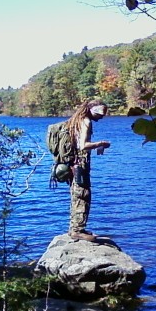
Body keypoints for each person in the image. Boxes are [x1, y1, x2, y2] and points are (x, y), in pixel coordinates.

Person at [66, 99, 110, 241]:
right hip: (80, 165)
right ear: (92, 110)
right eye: (100, 113)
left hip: (74, 164)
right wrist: (101, 143)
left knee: (77, 194)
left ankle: (75, 227)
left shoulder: (77, 120)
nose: (102, 117)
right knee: (83, 194)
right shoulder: (86, 121)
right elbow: (83, 145)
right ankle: (78, 231)